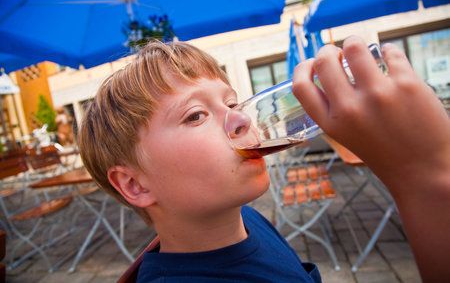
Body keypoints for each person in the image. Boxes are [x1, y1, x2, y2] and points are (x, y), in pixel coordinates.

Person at [77, 37, 450, 282]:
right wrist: (423, 177)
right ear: (134, 184)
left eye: (231, 102)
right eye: (195, 115)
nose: (241, 118)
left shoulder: (250, 220)